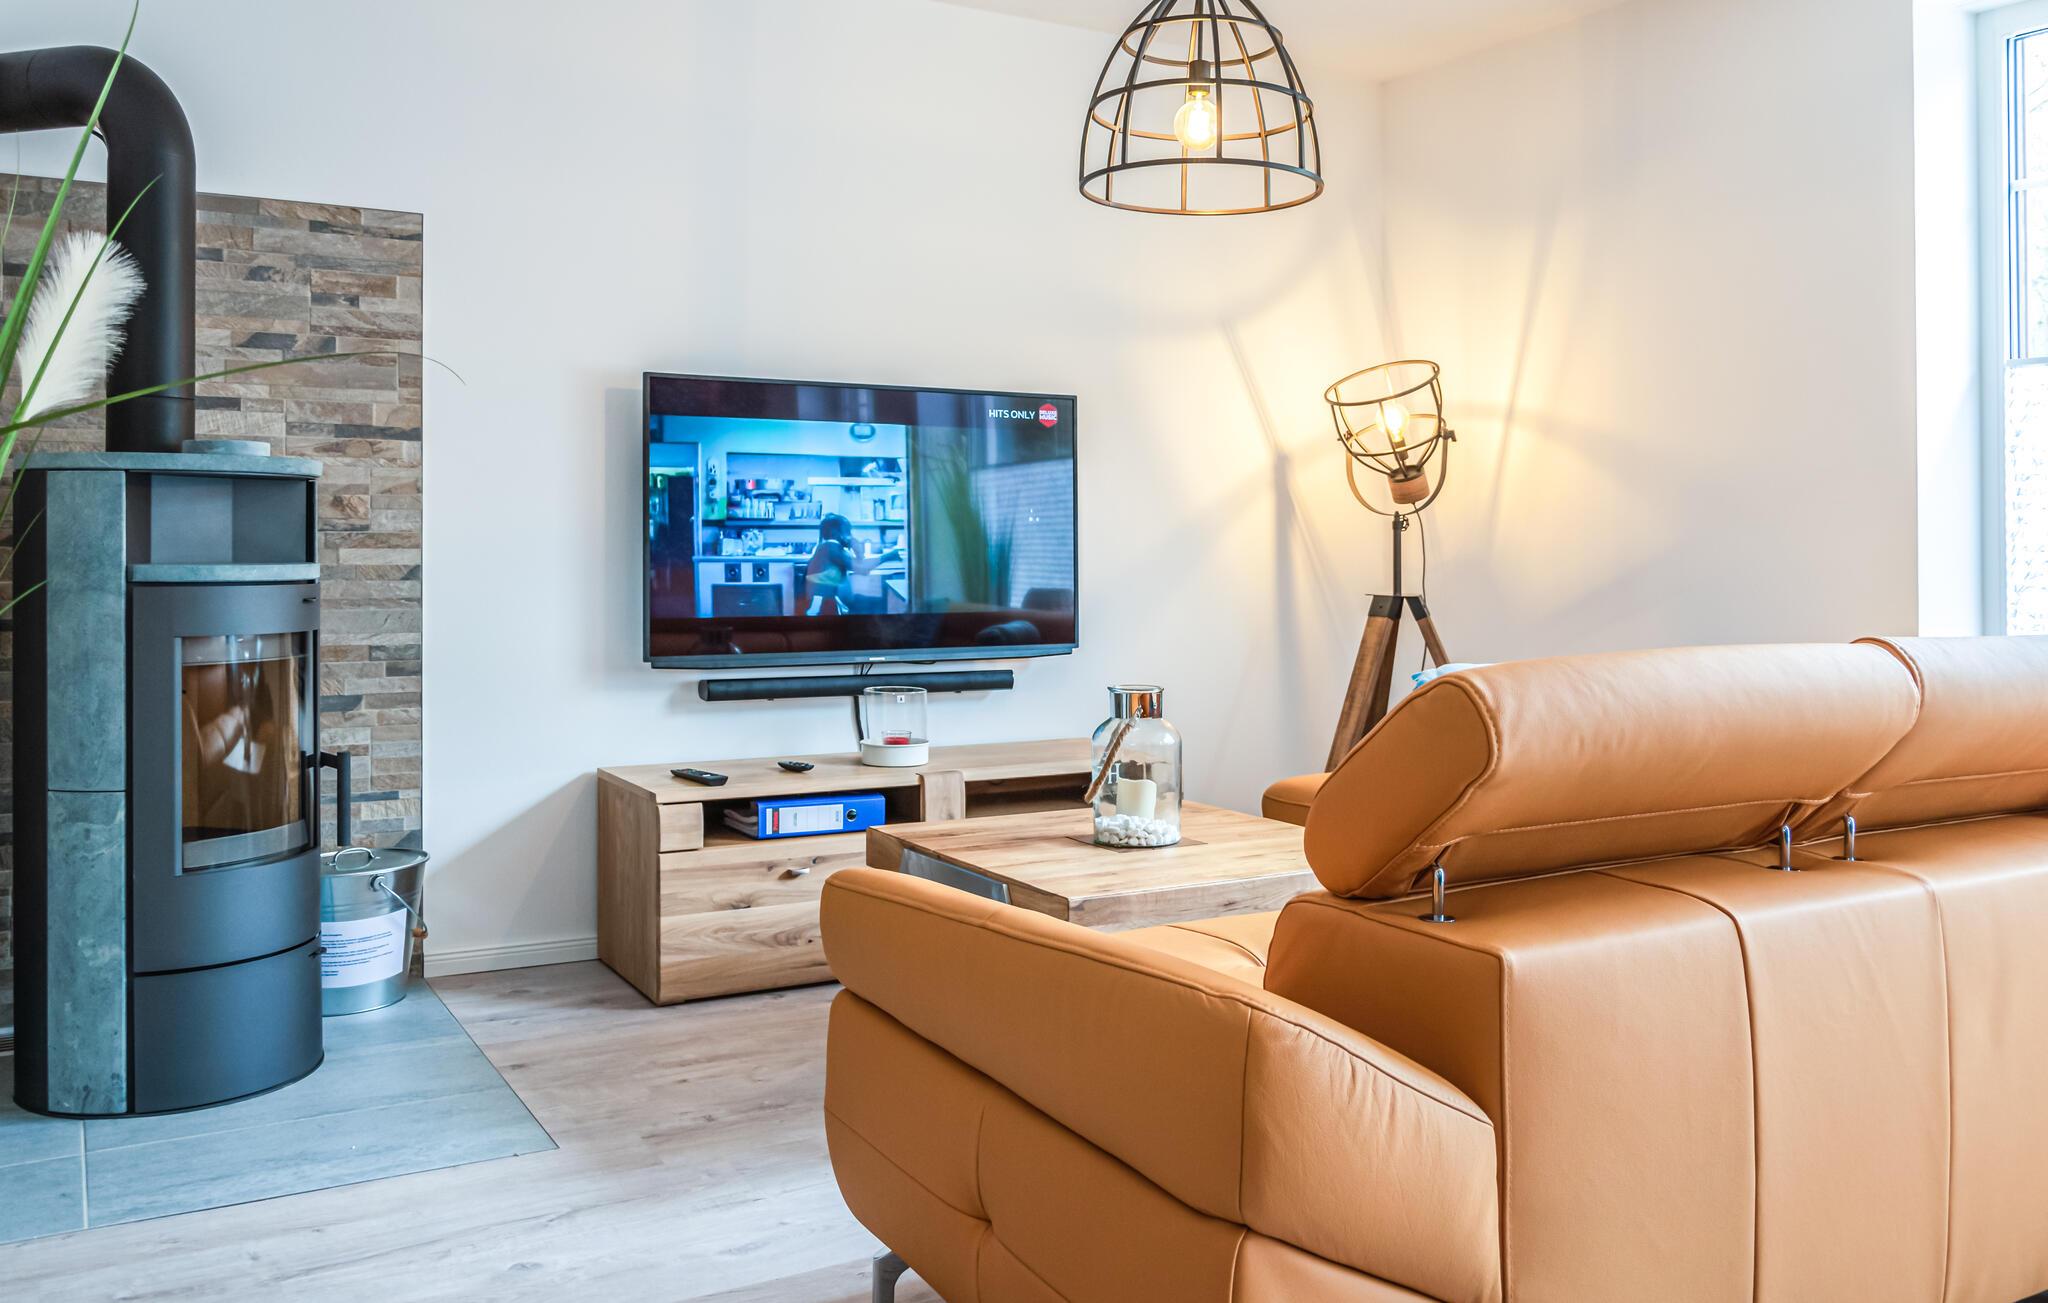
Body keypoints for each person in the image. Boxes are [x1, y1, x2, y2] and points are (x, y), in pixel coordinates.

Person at [802, 513, 900, 615]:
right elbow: (862, 568)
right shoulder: (831, 547)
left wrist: (857, 550)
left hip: (828, 602)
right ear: (836, 532)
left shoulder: (827, 547)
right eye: (848, 531)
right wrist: (889, 556)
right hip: (823, 606)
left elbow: (859, 563)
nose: (850, 535)